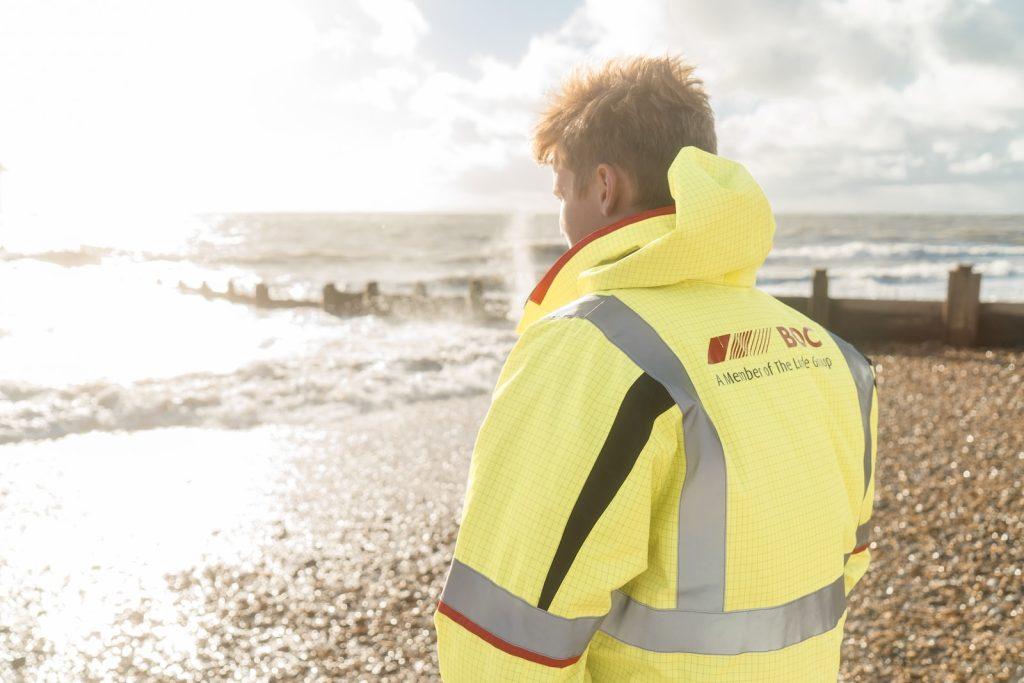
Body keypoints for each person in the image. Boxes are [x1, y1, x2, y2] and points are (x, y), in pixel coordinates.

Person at [433, 54, 878, 682]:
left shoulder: (591, 350)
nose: (562, 219)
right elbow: (846, 563)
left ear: (606, 186)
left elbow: (507, 642)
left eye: (564, 192)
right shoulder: (834, 356)